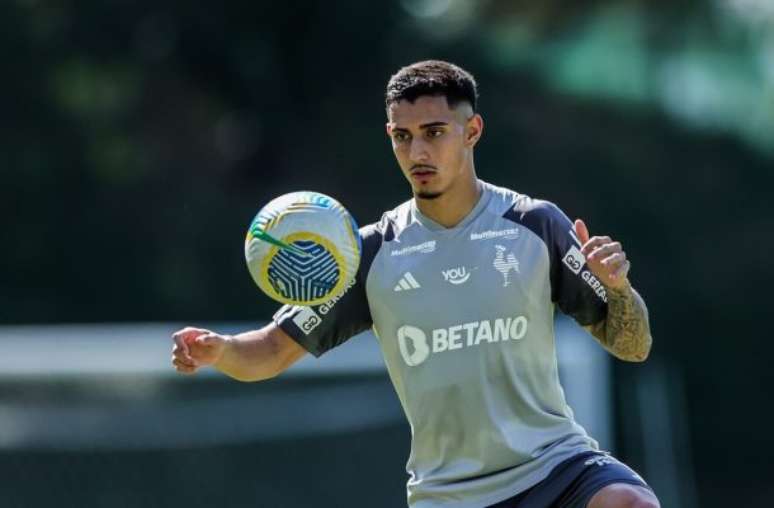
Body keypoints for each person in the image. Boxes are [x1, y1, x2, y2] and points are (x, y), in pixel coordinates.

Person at [171, 60, 660, 508]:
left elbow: (633, 345)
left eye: (434, 132)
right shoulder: (367, 254)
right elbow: (272, 350)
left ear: (472, 131)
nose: (417, 152)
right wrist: (220, 351)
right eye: (402, 136)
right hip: (450, 496)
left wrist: (619, 290)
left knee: (628, 503)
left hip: (554, 468)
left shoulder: (536, 226)